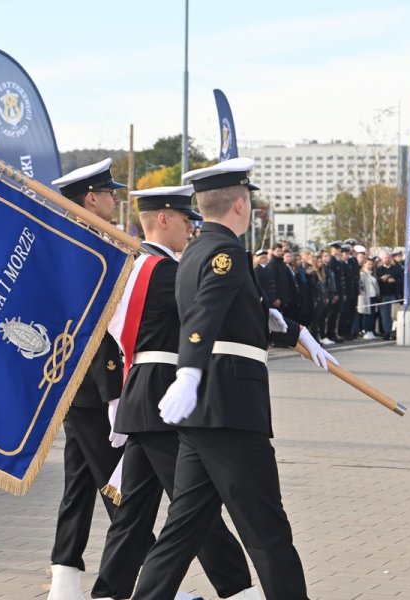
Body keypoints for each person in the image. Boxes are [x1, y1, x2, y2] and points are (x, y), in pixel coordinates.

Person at [132, 158, 337, 600]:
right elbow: (205, 315)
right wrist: (187, 373)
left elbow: (228, 316)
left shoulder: (194, 252)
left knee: (182, 531)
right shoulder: (225, 253)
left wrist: (288, 328)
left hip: (204, 414)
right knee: (268, 533)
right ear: (241, 204)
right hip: (229, 409)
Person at [92, 185, 257, 600]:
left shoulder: (142, 267)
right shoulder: (164, 272)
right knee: (194, 505)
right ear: (162, 220)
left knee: (136, 508)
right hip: (163, 400)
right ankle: (236, 588)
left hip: (143, 400)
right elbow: (205, 312)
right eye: (185, 220)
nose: (192, 227)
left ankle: (109, 592)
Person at [47, 159, 127, 599]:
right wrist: (113, 392)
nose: (116, 199)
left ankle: (64, 581)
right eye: (109, 192)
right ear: (90, 199)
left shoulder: (88, 242)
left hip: (82, 390)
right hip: (90, 388)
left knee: (79, 484)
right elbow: (91, 331)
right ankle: (147, 582)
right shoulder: (84, 250)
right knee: (119, 488)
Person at [375, 251, 402, 340]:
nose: (387, 260)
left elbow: (402, 280)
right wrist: (381, 279)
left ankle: (394, 331)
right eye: (385, 258)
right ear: (382, 259)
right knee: (385, 315)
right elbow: (375, 282)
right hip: (383, 295)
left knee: (394, 315)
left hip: (393, 294)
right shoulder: (378, 270)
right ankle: (387, 332)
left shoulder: (397, 269)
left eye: (388, 258)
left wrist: (394, 280)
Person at [357, 259, 380, 340]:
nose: (370, 266)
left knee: (372, 315)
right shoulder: (362, 274)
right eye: (368, 264)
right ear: (364, 264)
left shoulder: (372, 274)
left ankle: (371, 330)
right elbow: (361, 285)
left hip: (373, 296)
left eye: (371, 264)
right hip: (366, 297)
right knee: (367, 315)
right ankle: (367, 331)